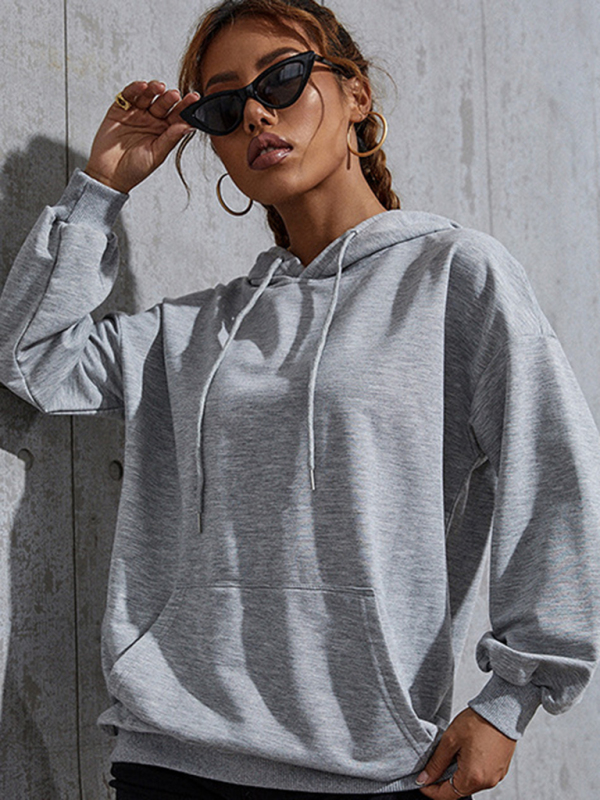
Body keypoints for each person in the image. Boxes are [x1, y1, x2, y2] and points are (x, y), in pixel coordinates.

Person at [1, 0, 599, 798]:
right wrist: (100, 189)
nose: (255, 113)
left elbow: (556, 475)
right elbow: (31, 358)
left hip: (367, 767)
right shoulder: (194, 332)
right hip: (170, 758)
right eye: (222, 106)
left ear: (356, 95)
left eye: (280, 79)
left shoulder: (454, 278)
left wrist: (511, 700)